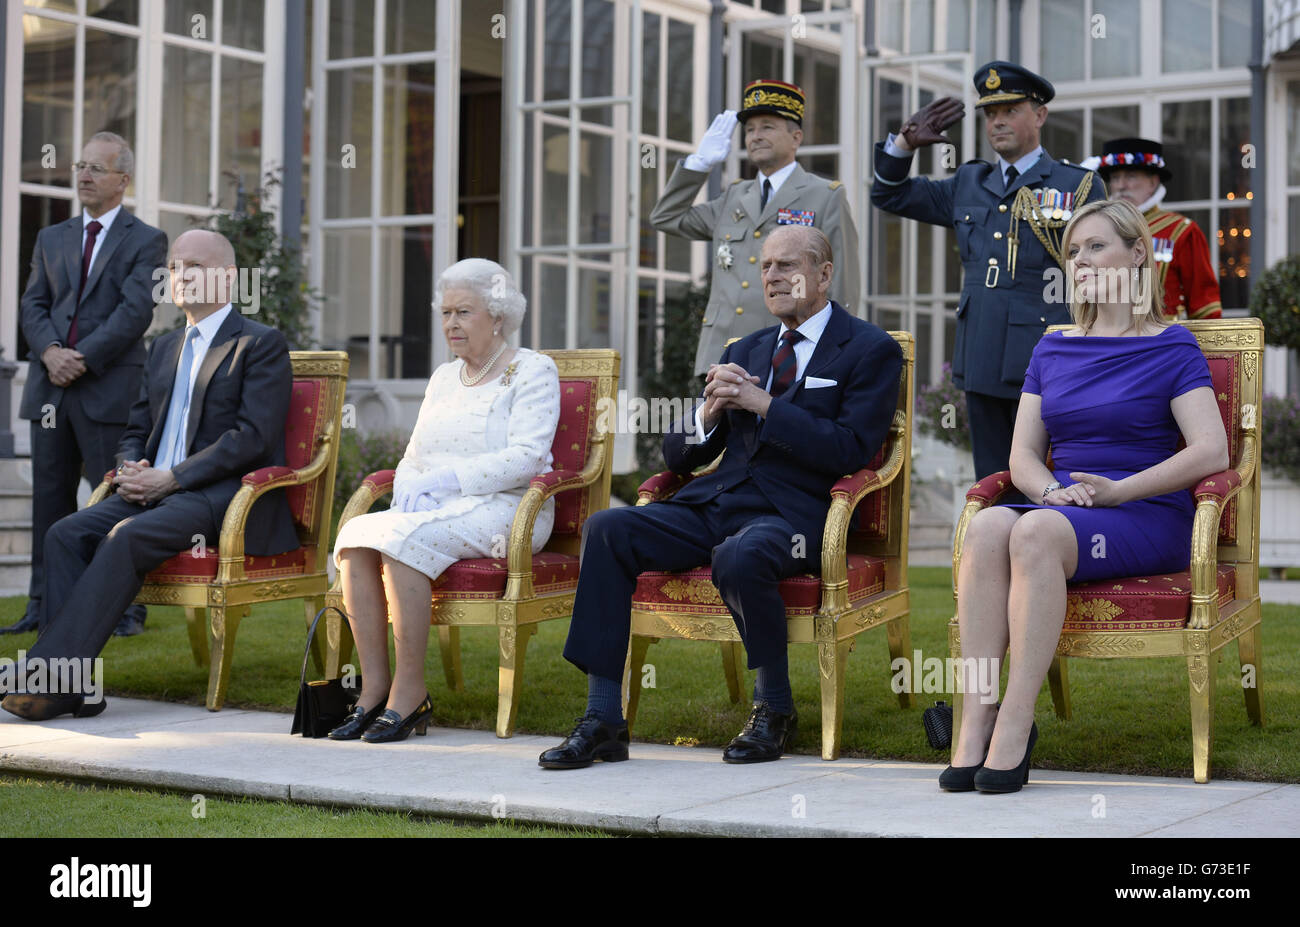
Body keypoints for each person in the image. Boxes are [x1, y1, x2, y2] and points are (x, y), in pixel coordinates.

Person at [538, 226, 902, 769]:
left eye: (787, 266)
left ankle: (774, 709)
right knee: (608, 529)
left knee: (742, 553)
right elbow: (676, 459)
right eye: (766, 267)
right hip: (715, 502)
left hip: (797, 515)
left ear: (824, 274)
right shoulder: (748, 348)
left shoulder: (871, 349)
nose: (773, 276)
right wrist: (709, 413)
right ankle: (603, 719)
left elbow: (849, 449)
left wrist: (763, 403)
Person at [943, 199, 1228, 793]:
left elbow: (1211, 451)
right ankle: (976, 718)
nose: (1080, 260)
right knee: (990, 527)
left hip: (1142, 511)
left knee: (1033, 531)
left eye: (1096, 246)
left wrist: (1118, 490)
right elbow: (1021, 455)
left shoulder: (1171, 347)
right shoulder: (1053, 348)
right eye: (1072, 251)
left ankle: (1015, 727)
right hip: (1064, 503)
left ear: (1138, 255)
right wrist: (1051, 490)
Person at [1, 230, 299, 722]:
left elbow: (251, 438)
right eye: (176, 266)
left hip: (222, 497)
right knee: (64, 533)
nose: (180, 275)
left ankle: (44, 676)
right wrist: (131, 467)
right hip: (155, 491)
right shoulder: (162, 347)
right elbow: (136, 427)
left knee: (124, 536)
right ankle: (73, 687)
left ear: (228, 278)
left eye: (195, 266)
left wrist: (174, 477)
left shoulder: (259, 343)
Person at [330, 260, 560, 744]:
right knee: (353, 536)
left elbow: (527, 457)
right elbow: (414, 455)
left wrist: (448, 481)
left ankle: (409, 692)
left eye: (464, 312)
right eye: (445, 313)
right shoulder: (443, 378)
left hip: (512, 509)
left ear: (497, 316)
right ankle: (373, 691)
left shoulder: (532, 369)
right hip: (440, 507)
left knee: (403, 539)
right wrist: (414, 486)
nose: (451, 324)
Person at [871, 62, 1106, 488]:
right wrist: (904, 144)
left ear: (1040, 115)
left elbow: (1104, 275)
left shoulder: (1078, 186)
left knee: (1053, 479)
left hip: (1049, 356)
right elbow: (889, 194)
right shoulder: (969, 181)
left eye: (1011, 110)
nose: (997, 121)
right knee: (994, 480)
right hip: (981, 353)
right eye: (990, 113)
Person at [2, 132, 163, 638]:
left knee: (114, 500)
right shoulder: (52, 237)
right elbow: (32, 304)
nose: (84, 176)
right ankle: (41, 606)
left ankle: (126, 610)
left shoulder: (146, 240)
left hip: (109, 389)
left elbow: (134, 311)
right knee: (48, 503)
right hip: (50, 389)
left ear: (123, 180)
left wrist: (82, 358)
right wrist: (50, 353)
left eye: (96, 168)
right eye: (80, 166)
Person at [651, 79, 860, 376]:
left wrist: (836, 355)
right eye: (749, 130)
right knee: (705, 425)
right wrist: (699, 165)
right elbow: (666, 217)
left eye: (767, 127)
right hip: (719, 353)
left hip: (786, 354)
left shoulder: (826, 196)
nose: (755, 136)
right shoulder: (734, 196)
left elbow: (842, 284)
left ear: (796, 137)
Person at [1093, 137, 1222, 320]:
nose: (1121, 186)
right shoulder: (1097, 231)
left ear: (1153, 183)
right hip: (1109, 341)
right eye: (1115, 178)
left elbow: (1205, 306)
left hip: (1163, 341)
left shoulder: (1181, 232)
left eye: (1131, 176)